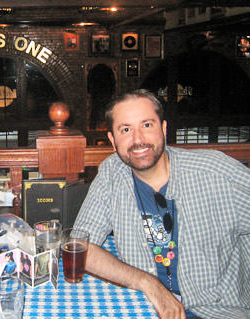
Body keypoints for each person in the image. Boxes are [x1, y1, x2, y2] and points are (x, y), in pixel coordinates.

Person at [74, 89, 250, 319]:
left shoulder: (216, 172)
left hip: (217, 311)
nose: (138, 140)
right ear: (113, 141)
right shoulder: (112, 174)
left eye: (147, 125)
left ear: (164, 129)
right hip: (148, 307)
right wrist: (149, 284)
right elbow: (80, 246)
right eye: (125, 129)